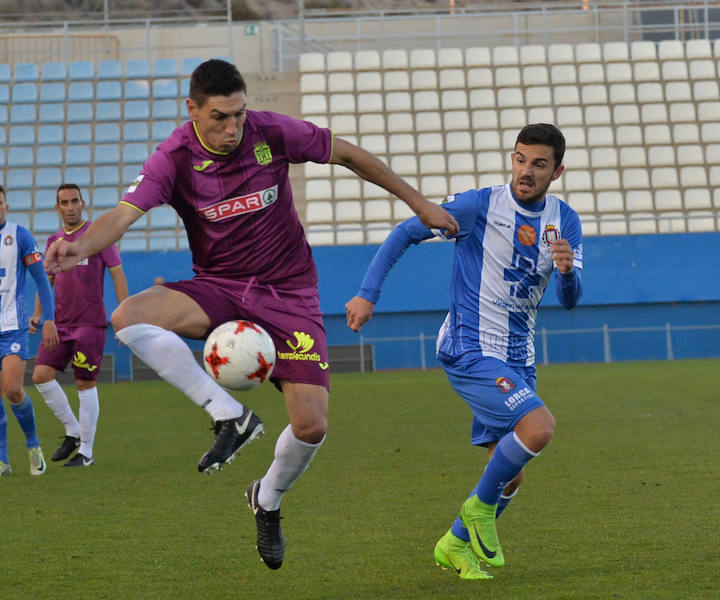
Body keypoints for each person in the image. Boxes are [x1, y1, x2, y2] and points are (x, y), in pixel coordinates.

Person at [45, 59, 458, 568]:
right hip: (219, 287)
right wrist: (79, 247)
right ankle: (229, 415)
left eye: (238, 114)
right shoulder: (173, 157)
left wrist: (419, 204)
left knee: (311, 427)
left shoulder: (270, 132)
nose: (231, 128)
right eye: (219, 117)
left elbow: (348, 153)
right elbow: (123, 216)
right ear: (192, 109)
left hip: (289, 292)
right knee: (130, 316)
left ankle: (267, 499)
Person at [346, 124, 583, 580]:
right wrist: (366, 293)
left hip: (518, 356)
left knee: (511, 473)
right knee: (539, 427)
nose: (525, 171)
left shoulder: (564, 219)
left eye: (538, 164)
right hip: (469, 346)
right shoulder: (480, 205)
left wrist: (568, 272)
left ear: (557, 170)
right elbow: (406, 232)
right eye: (519, 159)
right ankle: (477, 511)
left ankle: (453, 543)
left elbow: (570, 300)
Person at [29, 184, 128, 467]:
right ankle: (73, 431)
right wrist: (38, 314)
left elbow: (117, 275)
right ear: (57, 207)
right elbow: (45, 281)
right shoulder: (53, 241)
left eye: (74, 201)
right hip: (59, 324)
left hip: (89, 324)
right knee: (40, 376)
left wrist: (125, 315)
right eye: (64, 202)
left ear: (83, 204)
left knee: (84, 383)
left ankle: (86, 452)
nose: (70, 206)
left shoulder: (98, 237)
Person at [0, 182, 58, 478]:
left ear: (6, 207)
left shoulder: (20, 236)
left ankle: (33, 447)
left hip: (13, 324)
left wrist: (49, 317)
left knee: (12, 389)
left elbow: (41, 279)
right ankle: (2, 462)